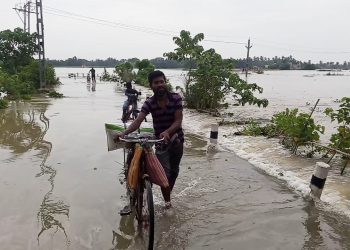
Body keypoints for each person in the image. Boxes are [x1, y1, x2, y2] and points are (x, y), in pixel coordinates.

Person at [115, 70, 184, 213]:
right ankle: (157, 200)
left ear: (165, 82)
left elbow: (178, 121)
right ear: (151, 85)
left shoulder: (176, 98)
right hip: (160, 143)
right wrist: (124, 133)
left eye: (161, 81)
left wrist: (167, 132)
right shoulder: (150, 103)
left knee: (174, 172)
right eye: (156, 83)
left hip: (177, 142)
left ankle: (167, 200)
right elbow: (138, 121)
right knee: (161, 173)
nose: (160, 85)